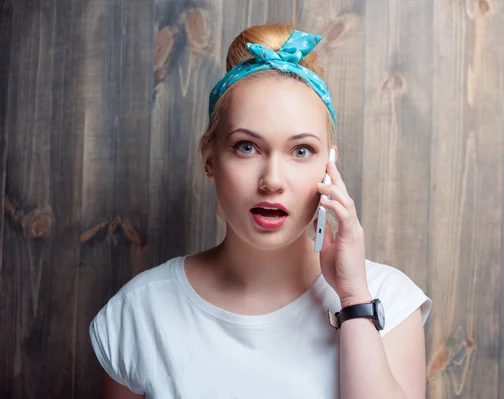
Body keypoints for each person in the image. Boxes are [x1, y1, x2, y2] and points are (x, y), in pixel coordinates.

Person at [89, 24, 432, 399]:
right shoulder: (138, 314)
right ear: (210, 159)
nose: (272, 180)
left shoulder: (390, 301)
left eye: (301, 151)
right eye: (247, 147)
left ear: (329, 167)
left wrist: (353, 300)